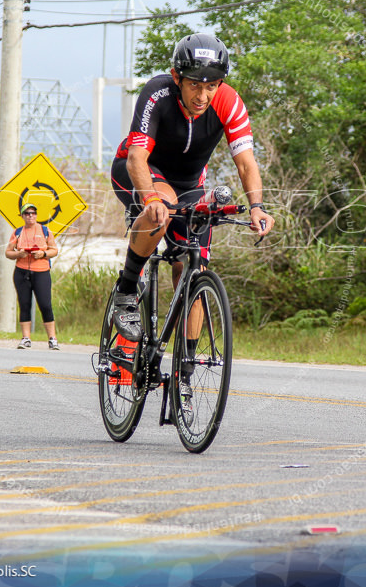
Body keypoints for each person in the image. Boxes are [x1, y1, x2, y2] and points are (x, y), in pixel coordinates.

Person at [109, 33, 275, 356]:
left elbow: (245, 163)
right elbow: (136, 159)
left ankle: (184, 369)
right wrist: (152, 199)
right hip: (139, 170)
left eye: (211, 85)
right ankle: (126, 289)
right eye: (195, 85)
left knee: (193, 270)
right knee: (161, 208)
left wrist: (257, 206)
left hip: (189, 184)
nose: (203, 95)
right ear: (177, 78)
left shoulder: (229, 102)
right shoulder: (157, 94)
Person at [4, 203, 60, 350]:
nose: (30, 216)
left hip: (41, 271)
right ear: (22, 216)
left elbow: (54, 250)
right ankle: (26, 338)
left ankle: (52, 338)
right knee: (24, 304)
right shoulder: (18, 232)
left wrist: (43, 254)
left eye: (33, 213)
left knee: (45, 305)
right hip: (22, 271)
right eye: (27, 213)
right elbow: (8, 252)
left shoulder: (44, 230)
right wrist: (18, 254)